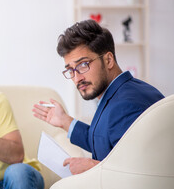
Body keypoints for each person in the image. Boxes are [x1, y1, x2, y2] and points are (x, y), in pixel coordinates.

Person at [33, 19, 164, 176]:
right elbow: (104, 142)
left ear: (108, 60)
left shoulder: (125, 105)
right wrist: (65, 121)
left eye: (83, 65)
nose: (76, 78)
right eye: (70, 70)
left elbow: (137, 173)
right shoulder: (125, 91)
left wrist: (92, 167)